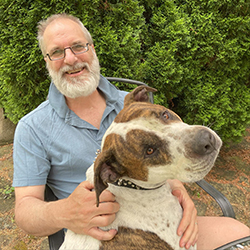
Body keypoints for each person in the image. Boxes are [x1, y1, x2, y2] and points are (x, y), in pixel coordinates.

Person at [13, 13, 249, 250]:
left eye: (78, 46)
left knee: (239, 234)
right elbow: (24, 211)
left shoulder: (130, 102)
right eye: (56, 52)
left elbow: (168, 144)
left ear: (92, 48)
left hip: (159, 216)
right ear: (47, 61)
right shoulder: (32, 127)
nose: (71, 59)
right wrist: (63, 213)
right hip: (100, 237)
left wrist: (177, 188)